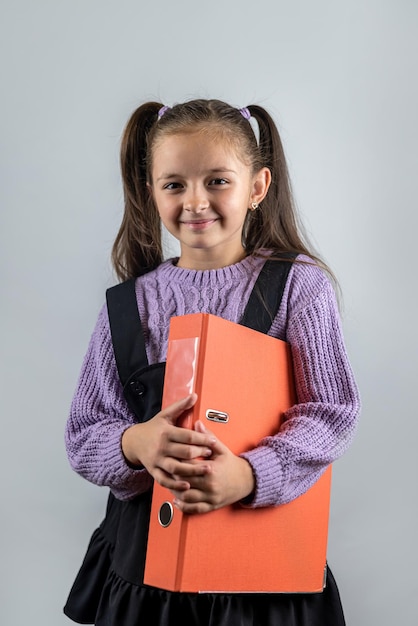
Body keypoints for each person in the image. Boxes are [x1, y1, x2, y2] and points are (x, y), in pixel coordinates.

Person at [64, 99, 360, 626]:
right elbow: (85, 432)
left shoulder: (298, 287)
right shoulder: (128, 303)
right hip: (146, 578)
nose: (195, 201)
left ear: (257, 187)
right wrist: (136, 445)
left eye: (217, 180)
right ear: (149, 190)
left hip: (262, 581)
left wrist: (248, 474)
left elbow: (330, 413)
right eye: (174, 184)